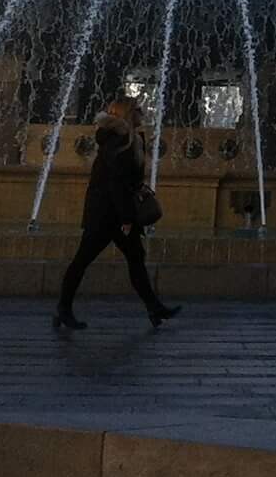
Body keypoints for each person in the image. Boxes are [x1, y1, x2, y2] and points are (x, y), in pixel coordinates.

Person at [53, 99, 181, 332]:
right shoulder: (118, 141)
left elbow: (126, 180)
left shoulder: (130, 139)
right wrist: (126, 219)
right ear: (129, 114)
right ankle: (63, 309)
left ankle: (154, 307)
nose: (143, 113)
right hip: (106, 214)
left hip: (116, 210)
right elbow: (115, 183)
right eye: (139, 111)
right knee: (83, 260)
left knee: (135, 258)